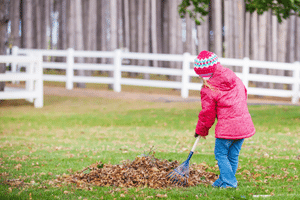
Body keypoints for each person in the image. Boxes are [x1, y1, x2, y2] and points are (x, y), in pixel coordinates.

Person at [193, 50, 255, 188]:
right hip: (243, 124)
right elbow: (244, 94)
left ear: (203, 75)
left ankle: (229, 182)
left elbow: (207, 114)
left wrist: (201, 130)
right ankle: (223, 180)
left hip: (228, 128)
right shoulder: (234, 78)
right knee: (232, 154)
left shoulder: (208, 89)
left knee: (221, 154)